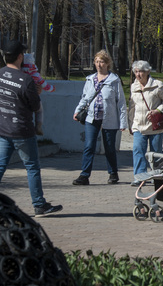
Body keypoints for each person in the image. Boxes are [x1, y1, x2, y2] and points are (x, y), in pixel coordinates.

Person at [0, 40, 62, 216]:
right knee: (32, 167)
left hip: (3, 130)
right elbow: (35, 106)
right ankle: (39, 205)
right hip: (22, 132)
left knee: (0, 166)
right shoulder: (25, 80)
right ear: (20, 57)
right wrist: (38, 92)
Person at [72, 50, 128, 186]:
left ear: (107, 63)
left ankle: (113, 173)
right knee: (89, 146)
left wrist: (123, 122)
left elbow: (121, 102)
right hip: (92, 118)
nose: (99, 64)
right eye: (97, 61)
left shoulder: (114, 80)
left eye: (102, 61)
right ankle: (84, 175)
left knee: (109, 147)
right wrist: (77, 111)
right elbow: (85, 98)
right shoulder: (90, 79)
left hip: (109, 119)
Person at [128, 61, 163, 186]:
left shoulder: (158, 85)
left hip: (154, 125)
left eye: (141, 71)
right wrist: (130, 124)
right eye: (136, 72)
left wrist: (157, 110)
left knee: (156, 152)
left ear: (147, 72)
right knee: (137, 150)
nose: (138, 74)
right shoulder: (133, 87)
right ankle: (139, 176)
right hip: (138, 125)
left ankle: (157, 175)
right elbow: (132, 107)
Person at [21, 53, 54, 136]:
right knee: (39, 111)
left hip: (22, 98)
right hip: (34, 98)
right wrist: (52, 88)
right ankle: (38, 125)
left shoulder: (20, 73)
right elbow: (45, 85)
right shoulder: (36, 75)